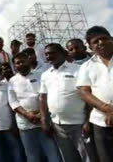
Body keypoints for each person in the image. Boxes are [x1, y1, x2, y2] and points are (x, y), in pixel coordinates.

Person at [40, 43, 91, 162]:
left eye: (52, 53)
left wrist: (88, 121)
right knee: (68, 158)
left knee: (88, 157)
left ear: (63, 53)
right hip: (58, 126)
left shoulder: (78, 70)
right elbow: (42, 97)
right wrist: (44, 119)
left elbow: (88, 95)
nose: (49, 56)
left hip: (79, 124)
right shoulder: (46, 75)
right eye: (46, 54)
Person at [8, 52, 61, 162]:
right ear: (15, 66)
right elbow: (13, 102)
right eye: (17, 63)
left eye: (23, 61)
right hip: (25, 124)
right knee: (32, 156)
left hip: (44, 121)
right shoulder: (12, 81)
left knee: (52, 153)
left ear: (28, 61)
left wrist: (41, 114)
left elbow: (48, 95)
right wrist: (27, 114)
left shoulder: (40, 74)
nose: (21, 64)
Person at [76, 26, 113, 162]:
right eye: (96, 41)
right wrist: (107, 109)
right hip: (100, 122)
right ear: (91, 47)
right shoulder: (86, 66)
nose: (101, 43)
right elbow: (84, 92)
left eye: (104, 38)